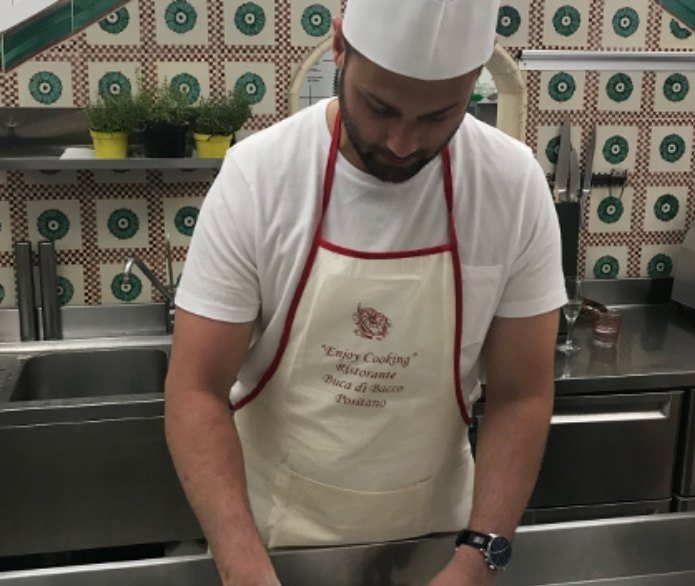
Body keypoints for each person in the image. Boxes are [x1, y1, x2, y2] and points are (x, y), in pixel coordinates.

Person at [165, 0, 568, 584]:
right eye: (380, 108)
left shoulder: (511, 185)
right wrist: (243, 566)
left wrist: (480, 558)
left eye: (438, 116)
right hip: (270, 544)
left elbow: (521, 394)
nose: (403, 143)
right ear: (340, 48)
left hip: (434, 547)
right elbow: (196, 390)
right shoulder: (260, 176)